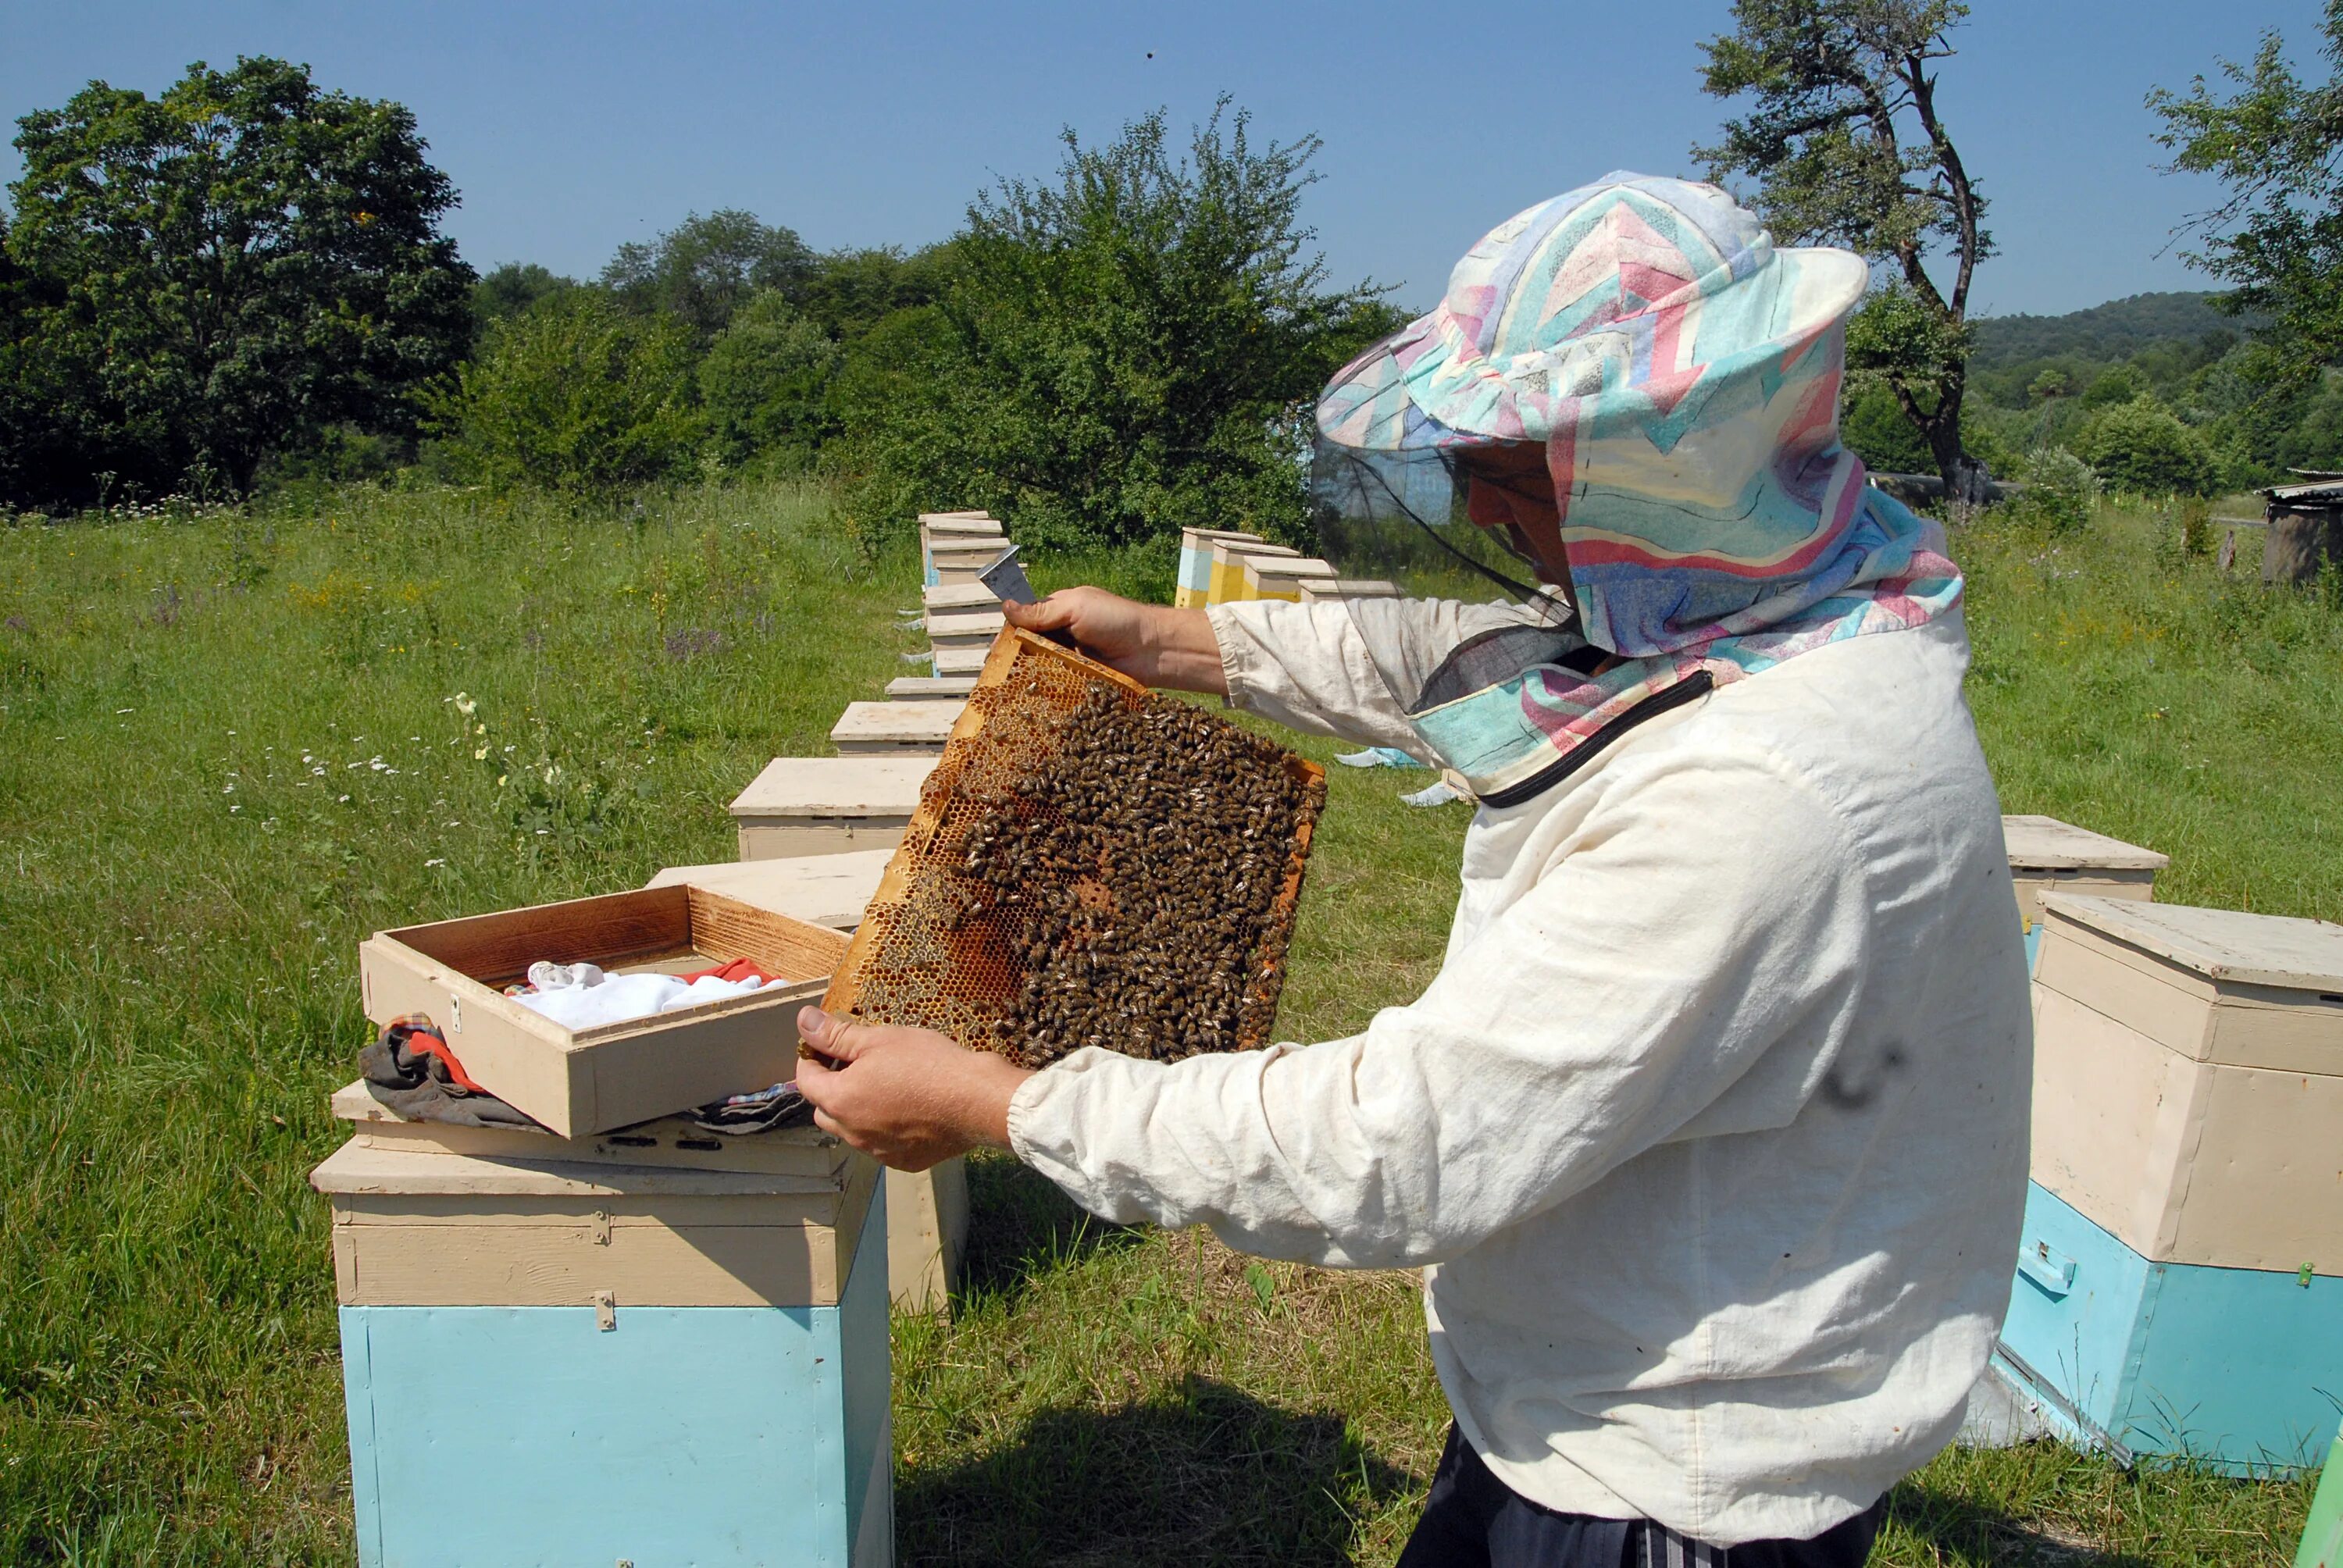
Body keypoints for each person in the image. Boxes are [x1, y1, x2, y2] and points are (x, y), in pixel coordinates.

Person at [795, 173, 2031, 1567]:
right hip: (1626, 1386)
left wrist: (1005, 1107)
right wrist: (1173, 640)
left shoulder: (1760, 793)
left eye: (1516, 472)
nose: (1488, 511)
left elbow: (1404, 1145)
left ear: (1661, 462)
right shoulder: (1793, 607)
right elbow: (1479, 656)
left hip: (1660, 1486)